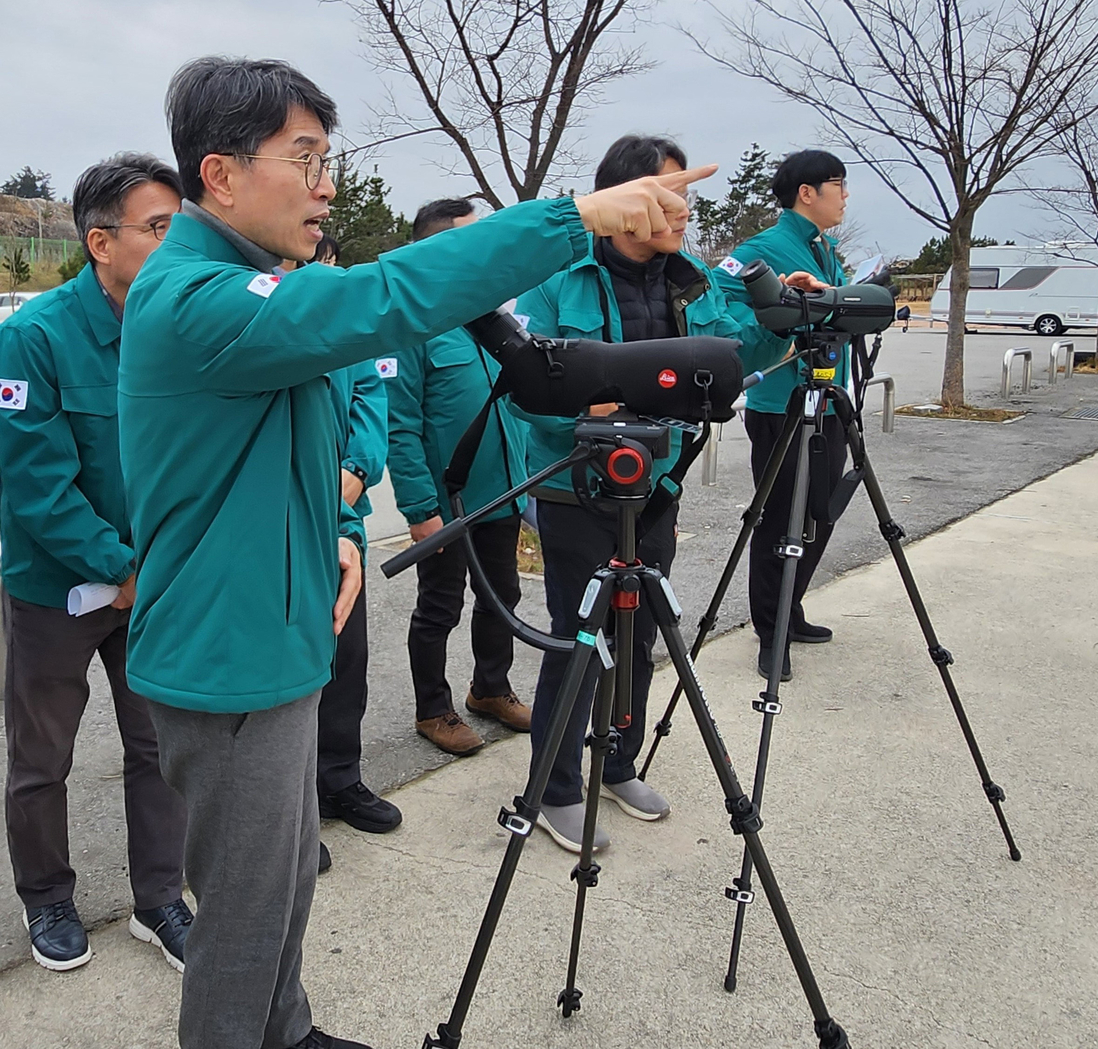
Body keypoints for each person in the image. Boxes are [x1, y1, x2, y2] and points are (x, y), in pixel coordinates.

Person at [116, 57, 711, 1049]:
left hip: (282, 629)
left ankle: (287, 1027)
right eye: (303, 157)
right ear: (219, 176)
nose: (327, 184)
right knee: (246, 908)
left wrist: (344, 536)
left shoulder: (259, 287)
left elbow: (301, 446)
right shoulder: (195, 299)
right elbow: (390, 296)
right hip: (229, 661)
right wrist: (576, 219)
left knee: (288, 878)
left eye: (327, 157)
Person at [516, 135, 811, 854]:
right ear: (624, 202)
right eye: (669, 195)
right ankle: (553, 787)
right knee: (578, 639)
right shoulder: (556, 278)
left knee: (643, 632)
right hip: (575, 490)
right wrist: (589, 413)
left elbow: (730, 360)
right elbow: (525, 387)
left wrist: (786, 323)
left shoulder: (695, 280)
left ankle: (617, 761)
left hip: (658, 486)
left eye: (686, 196)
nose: (683, 211)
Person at [0, 154, 190, 973]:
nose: (175, 246)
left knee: (159, 744)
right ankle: (47, 895)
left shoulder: (173, 329)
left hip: (150, 583)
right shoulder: (31, 338)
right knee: (43, 755)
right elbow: (35, 483)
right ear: (100, 243)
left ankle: (159, 897)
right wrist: (121, 566)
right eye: (158, 230)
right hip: (54, 591)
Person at [386, 199, 533, 758]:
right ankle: (433, 709)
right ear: (441, 249)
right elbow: (400, 428)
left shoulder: (495, 322)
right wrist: (420, 510)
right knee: (439, 608)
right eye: (474, 239)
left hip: (505, 495)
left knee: (504, 598)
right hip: (447, 506)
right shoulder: (414, 326)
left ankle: (490, 689)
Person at [712, 150, 852, 682]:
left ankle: (790, 611)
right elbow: (721, 304)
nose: (845, 196)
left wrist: (829, 295)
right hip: (782, 405)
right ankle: (770, 631)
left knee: (820, 510)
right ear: (806, 192)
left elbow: (840, 307)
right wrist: (778, 309)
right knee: (780, 518)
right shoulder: (763, 249)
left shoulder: (824, 249)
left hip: (828, 394)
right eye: (838, 185)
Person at [309, 234, 401, 874]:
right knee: (288, 675)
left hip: (343, 521)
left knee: (347, 660)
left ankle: (339, 778)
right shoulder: (257, 313)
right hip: (279, 524)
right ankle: (287, 813)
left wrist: (359, 467)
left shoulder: (348, 329)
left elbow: (372, 397)